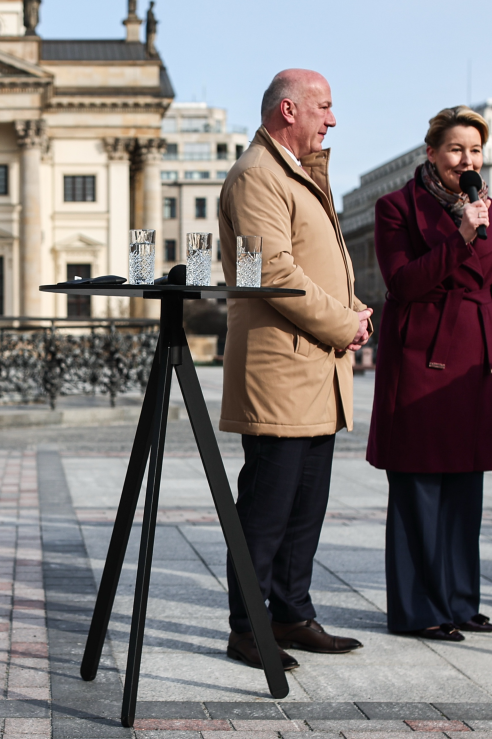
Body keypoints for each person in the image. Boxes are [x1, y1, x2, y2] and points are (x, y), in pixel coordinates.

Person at [367, 105, 492, 642]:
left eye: (475, 150)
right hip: (421, 357)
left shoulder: (491, 212)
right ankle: (417, 609)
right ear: (431, 153)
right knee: (421, 487)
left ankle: (458, 600)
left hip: (479, 362)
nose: (466, 160)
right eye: (456, 149)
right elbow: (403, 283)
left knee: (464, 488)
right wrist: (460, 238)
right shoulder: (396, 207)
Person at [217, 69, 373, 669]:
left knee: (304, 507)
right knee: (266, 509)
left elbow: (318, 263)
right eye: (324, 107)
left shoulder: (297, 174)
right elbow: (273, 274)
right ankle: (249, 627)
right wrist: (345, 324)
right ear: (289, 109)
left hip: (315, 371)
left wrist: (354, 310)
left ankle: (290, 612)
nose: (332, 120)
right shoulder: (259, 175)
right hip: (281, 373)